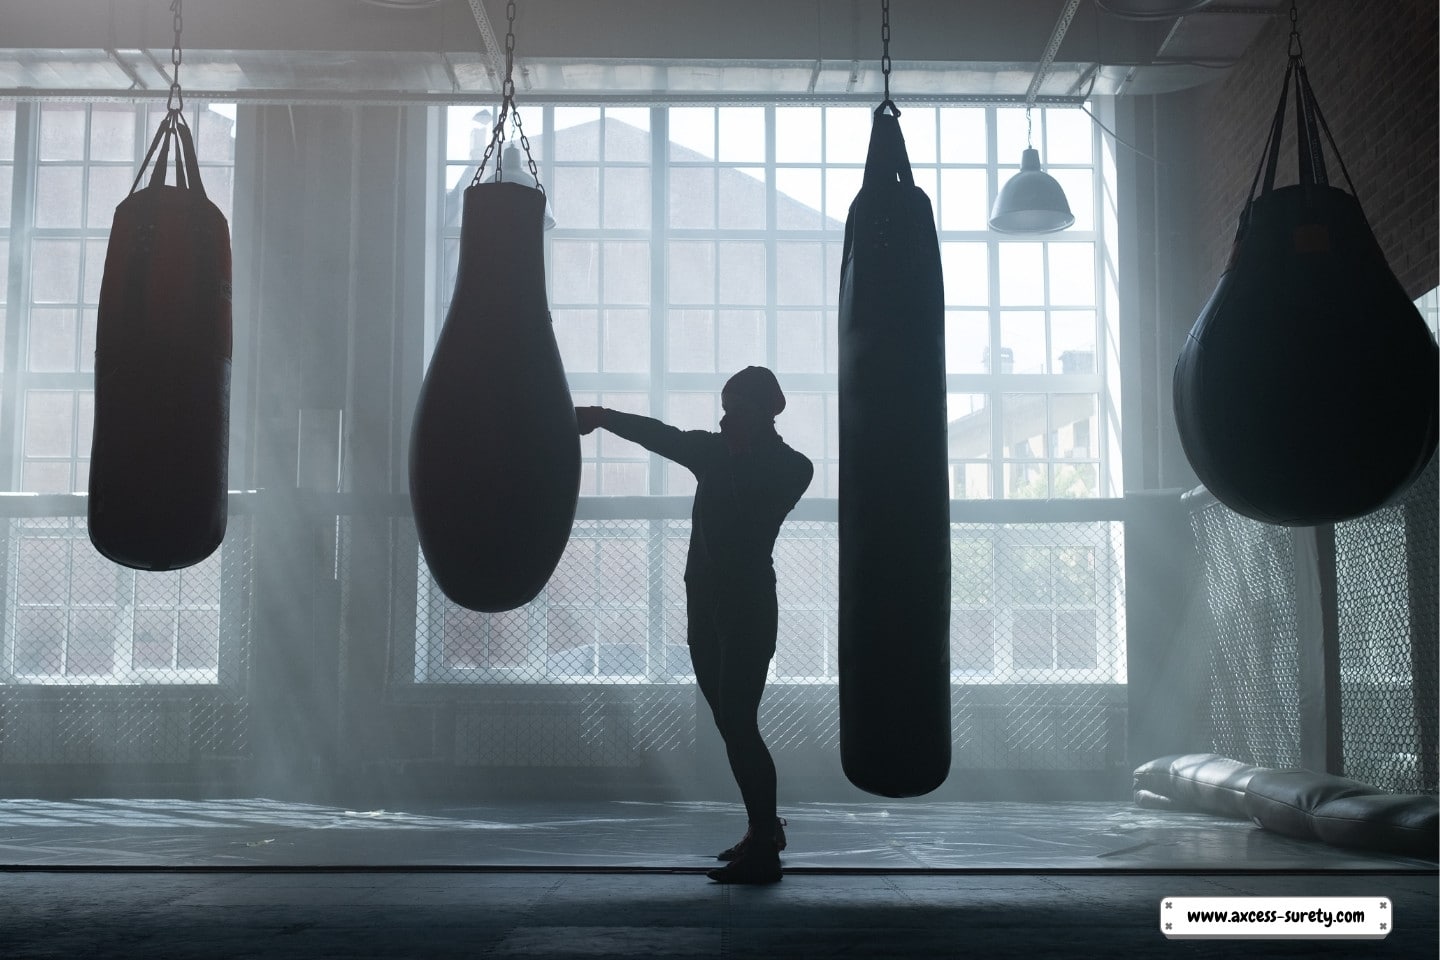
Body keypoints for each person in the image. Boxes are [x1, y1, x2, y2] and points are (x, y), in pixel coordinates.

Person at [575, 366, 813, 884]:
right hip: (704, 606)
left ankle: (765, 847)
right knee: (731, 725)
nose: (725, 418)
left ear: (764, 412)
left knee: (740, 722)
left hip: (747, 606)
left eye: (736, 409)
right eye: (725, 408)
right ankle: (763, 830)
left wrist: (735, 458)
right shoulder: (712, 453)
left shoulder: (793, 467)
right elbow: (659, 435)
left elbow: (754, 515)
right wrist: (601, 417)